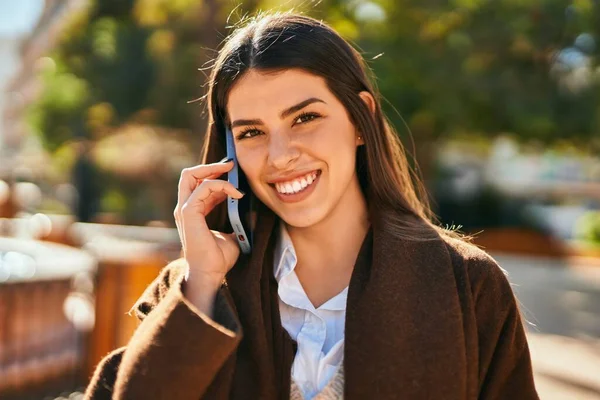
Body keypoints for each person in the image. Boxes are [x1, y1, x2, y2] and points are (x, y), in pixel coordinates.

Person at [84, 11, 539, 400]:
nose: (280, 156)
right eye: (250, 132)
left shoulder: (469, 285)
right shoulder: (194, 290)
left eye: (305, 118)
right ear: (228, 152)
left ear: (361, 119)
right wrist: (201, 283)